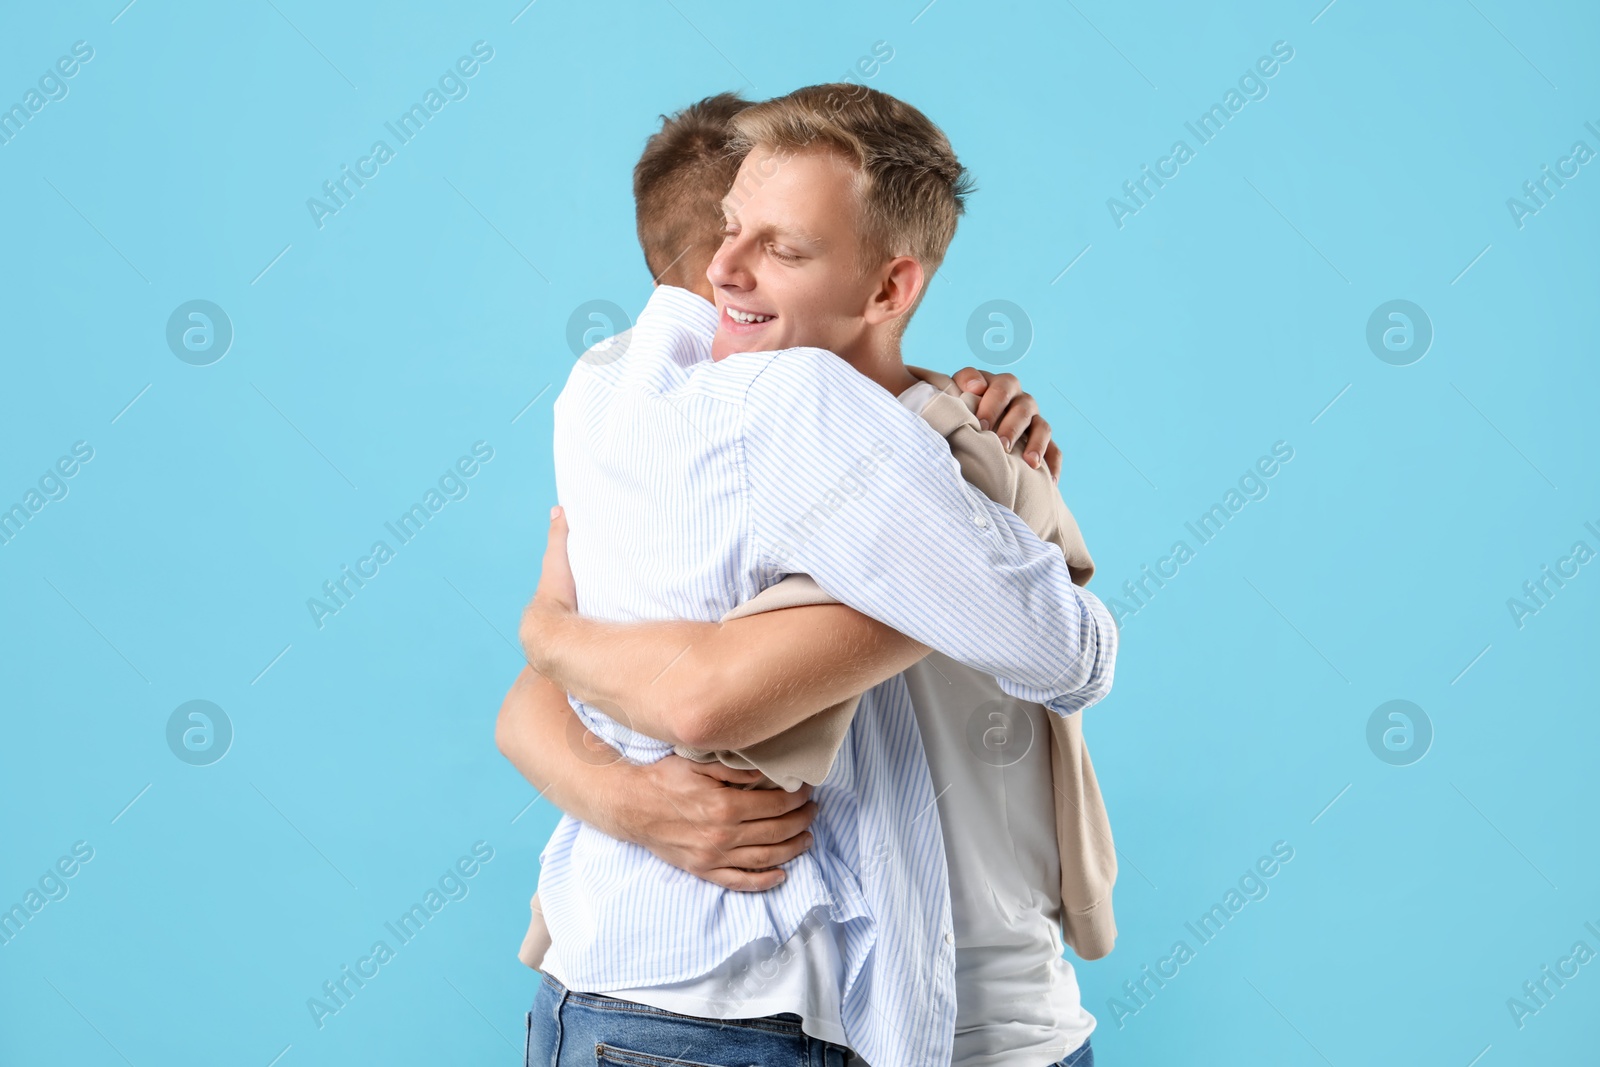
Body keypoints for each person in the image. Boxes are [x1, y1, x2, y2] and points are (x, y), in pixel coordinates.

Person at [502, 86, 1117, 1066]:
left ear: (886, 284)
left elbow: (1055, 648)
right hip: (727, 1002)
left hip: (992, 1015)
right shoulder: (694, 443)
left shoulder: (957, 444)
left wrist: (985, 518)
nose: (723, 274)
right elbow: (558, 701)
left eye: (779, 244)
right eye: (728, 235)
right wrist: (626, 791)